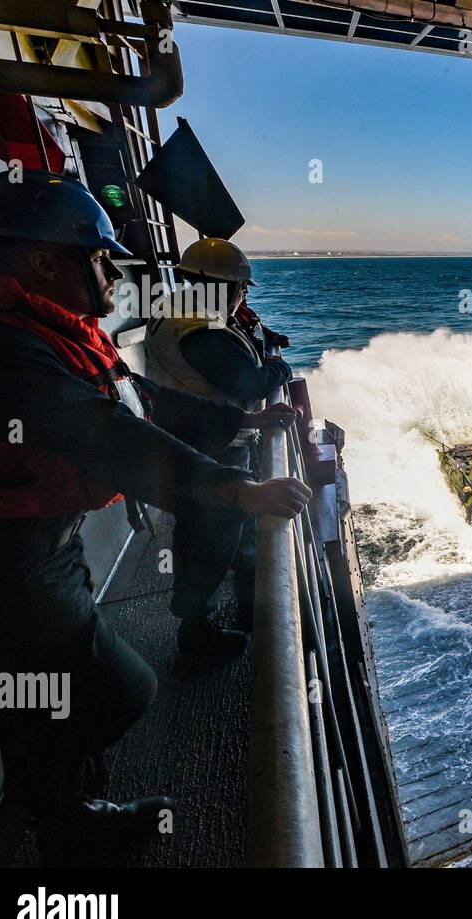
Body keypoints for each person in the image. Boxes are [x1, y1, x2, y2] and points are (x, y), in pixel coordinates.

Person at [0, 169, 310, 856]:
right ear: (42, 261)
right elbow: (110, 434)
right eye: (96, 256)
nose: (109, 271)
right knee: (118, 687)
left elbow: (141, 399)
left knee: (43, 692)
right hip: (9, 556)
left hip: (41, 543)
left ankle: (70, 818)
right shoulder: (3, 346)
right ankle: (62, 814)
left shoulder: (34, 329)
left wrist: (233, 433)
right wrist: (233, 488)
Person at [145, 238, 294, 658]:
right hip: (212, 446)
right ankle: (197, 634)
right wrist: (279, 366)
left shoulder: (180, 311)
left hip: (205, 439)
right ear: (219, 287)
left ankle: (244, 604)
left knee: (228, 533)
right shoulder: (201, 329)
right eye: (240, 288)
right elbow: (249, 382)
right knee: (207, 539)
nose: (243, 296)